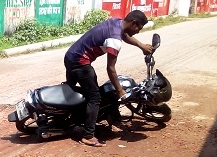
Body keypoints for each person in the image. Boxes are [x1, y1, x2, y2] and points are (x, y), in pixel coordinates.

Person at [64, 10, 153, 148]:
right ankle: (88, 136)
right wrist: (120, 91)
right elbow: (110, 69)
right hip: (79, 63)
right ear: (133, 23)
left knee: (72, 91)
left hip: (71, 56)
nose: (138, 32)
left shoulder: (116, 22)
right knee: (95, 97)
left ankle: (67, 119)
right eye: (139, 28)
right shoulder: (114, 40)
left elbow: (125, 35)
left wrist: (141, 46)